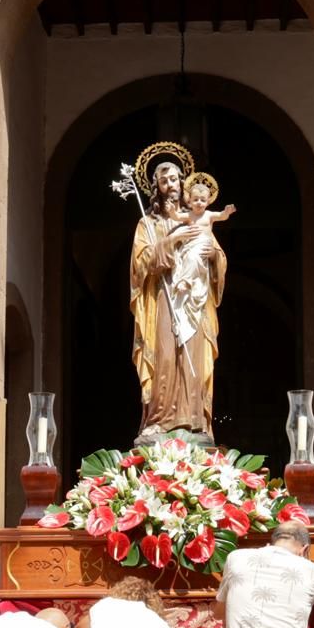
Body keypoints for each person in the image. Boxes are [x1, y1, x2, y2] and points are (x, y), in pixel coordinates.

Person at [129, 153, 227, 439]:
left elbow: (214, 252)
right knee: (165, 356)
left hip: (194, 303)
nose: (170, 185)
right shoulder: (148, 224)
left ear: (181, 183)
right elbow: (139, 265)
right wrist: (170, 241)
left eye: (174, 179)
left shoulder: (196, 218)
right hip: (163, 299)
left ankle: (195, 420)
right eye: (163, 181)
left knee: (192, 356)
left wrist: (214, 257)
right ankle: (160, 419)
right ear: (155, 187)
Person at [167, 174, 234, 347]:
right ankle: (185, 281)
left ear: (208, 201)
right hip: (191, 245)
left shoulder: (209, 215)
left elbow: (221, 216)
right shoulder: (189, 215)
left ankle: (186, 281)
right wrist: (172, 212)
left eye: (202, 200)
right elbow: (176, 218)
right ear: (189, 201)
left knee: (195, 258)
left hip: (203, 245)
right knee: (190, 257)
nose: (198, 203)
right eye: (195, 199)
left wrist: (227, 212)